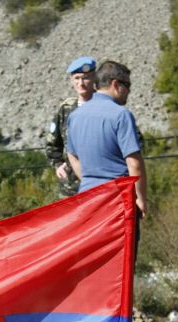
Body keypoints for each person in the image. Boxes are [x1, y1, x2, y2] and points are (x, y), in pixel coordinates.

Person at [66, 60, 147, 216]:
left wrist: (90, 182)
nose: (129, 91)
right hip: (118, 200)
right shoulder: (121, 115)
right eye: (127, 85)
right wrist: (140, 199)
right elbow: (134, 163)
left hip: (87, 199)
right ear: (115, 84)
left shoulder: (75, 116)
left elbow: (72, 155)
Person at [45, 56, 96, 198]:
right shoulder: (66, 109)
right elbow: (52, 144)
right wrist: (58, 164)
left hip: (100, 186)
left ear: (94, 78)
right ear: (71, 80)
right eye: (77, 78)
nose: (81, 83)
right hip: (71, 189)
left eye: (86, 78)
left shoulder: (105, 107)